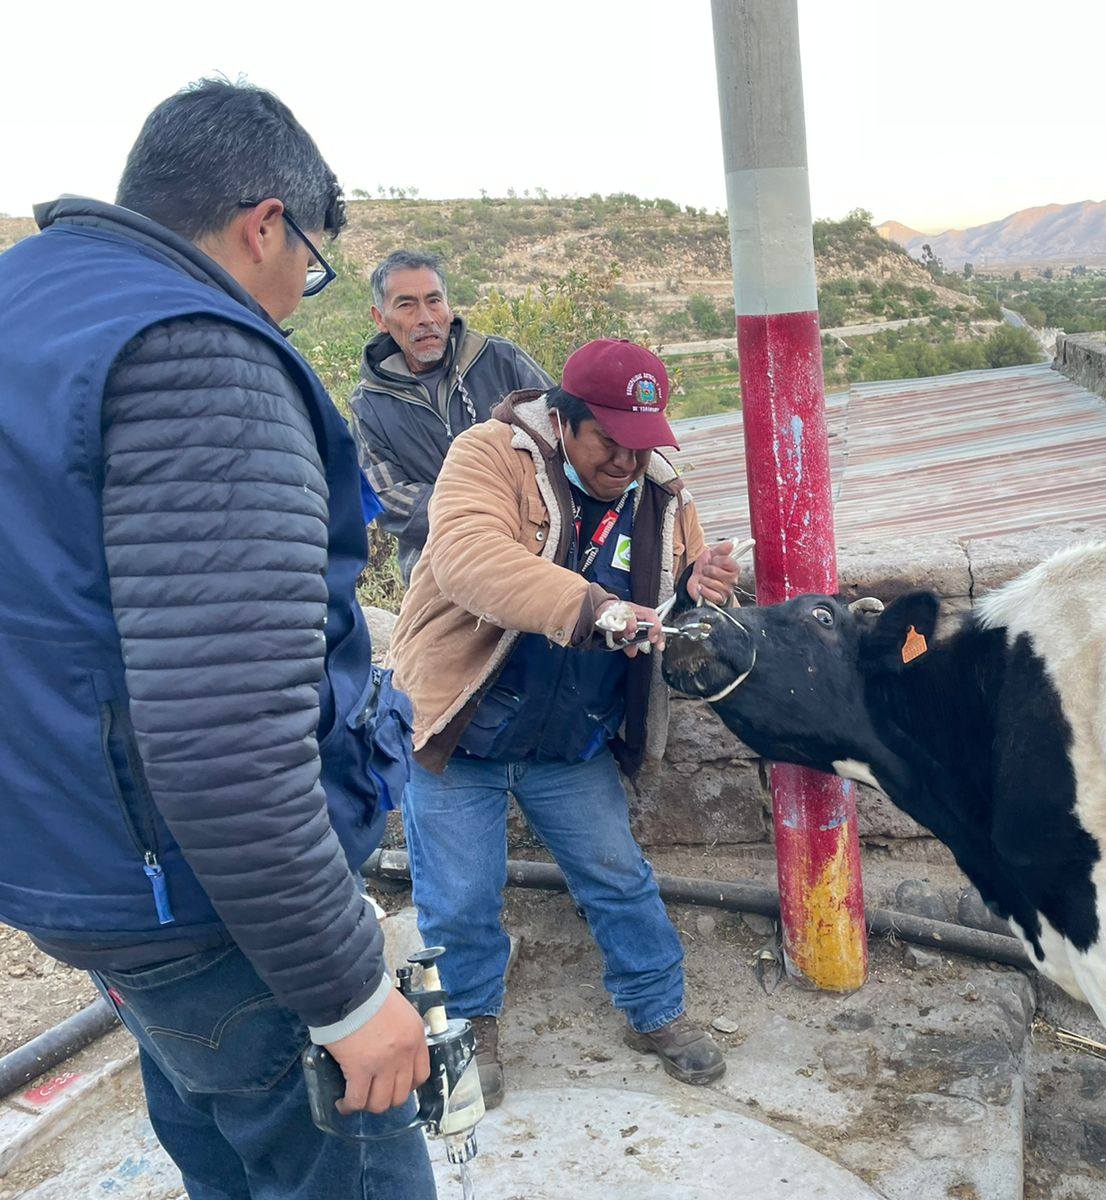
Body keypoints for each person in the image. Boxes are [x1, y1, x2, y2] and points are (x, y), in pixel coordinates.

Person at [0, 81, 437, 1199]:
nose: (298, 295)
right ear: (265, 223)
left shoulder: (24, 306)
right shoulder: (198, 358)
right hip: (207, 909)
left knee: (217, 1143)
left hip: (75, 868)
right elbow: (225, 742)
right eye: (311, 264)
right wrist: (350, 994)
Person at [388, 338, 740, 1105]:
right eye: (607, 442)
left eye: (641, 445)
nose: (626, 461)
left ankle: (656, 1010)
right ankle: (469, 1026)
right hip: (463, 726)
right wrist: (595, 608)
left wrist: (699, 578)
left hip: (568, 735)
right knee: (460, 897)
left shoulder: (660, 485)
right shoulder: (488, 454)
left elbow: (678, 581)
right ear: (564, 419)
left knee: (618, 876)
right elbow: (467, 556)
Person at [351, 250, 553, 580]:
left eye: (434, 301)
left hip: (534, 531)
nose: (426, 317)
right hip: (438, 552)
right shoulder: (369, 404)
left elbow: (558, 432)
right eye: (406, 305)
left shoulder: (500, 359)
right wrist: (479, 513)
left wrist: (526, 511)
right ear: (380, 318)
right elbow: (386, 495)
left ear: (449, 306)